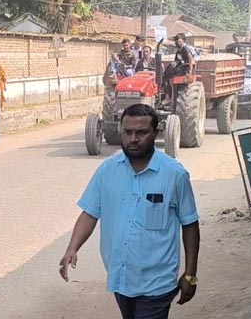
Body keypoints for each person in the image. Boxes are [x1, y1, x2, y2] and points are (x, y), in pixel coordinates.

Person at [59, 104, 200, 319]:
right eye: (128, 132)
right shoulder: (107, 170)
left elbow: (190, 224)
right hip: (121, 277)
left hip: (158, 282)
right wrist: (72, 248)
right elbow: (90, 213)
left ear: (156, 133)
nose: (133, 139)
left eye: (141, 133)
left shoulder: (174, 174)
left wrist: (190, 274)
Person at [162, 34, 195, 104]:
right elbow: (176, 62)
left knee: (167, 77)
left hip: (185, 69)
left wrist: (190, 71)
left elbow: (190, 58)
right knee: (165, 77)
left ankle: (168, 97)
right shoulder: (178, 51)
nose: (178, 43)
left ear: (183, 41)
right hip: (179, 68)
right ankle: (167, 95)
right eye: (177, 42)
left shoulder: (185, 49)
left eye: (180, 41)